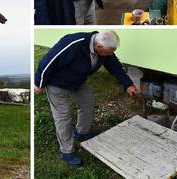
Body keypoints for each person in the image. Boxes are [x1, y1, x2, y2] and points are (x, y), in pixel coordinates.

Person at [34, 31, 137, 167]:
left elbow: (114, 65)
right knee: (63, 116)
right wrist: (39, 83)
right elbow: (48, 61)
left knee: (88, 103)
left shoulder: (105, 50)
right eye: (109, 52)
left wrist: (128, 84)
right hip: (57, 83)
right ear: (98, 46)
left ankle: (82, 131)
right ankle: (67, 152)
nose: (111, 54)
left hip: (77, 81)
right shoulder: (73, 43)